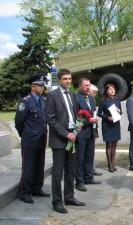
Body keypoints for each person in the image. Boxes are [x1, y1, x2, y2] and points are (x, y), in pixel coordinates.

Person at [46, 69, 85, 214]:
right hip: (59, 140)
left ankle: (69, 197)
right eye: (65, 79)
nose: (68, 81)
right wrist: (66, 133)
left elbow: (75, 115)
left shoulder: (73, 96)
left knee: (71, 170)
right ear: (59, 80)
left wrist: (78, 125)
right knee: (57, 172)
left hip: (72, 138)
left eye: (70, 79)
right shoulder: (52, 96)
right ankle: (57, 202)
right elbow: (50, 118)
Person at [15, 73, 50, 204]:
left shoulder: (43, 100)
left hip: (42, 138)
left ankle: (37, 188)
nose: (42, 88)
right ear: (33, 86)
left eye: (42, 86)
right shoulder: (25, 101)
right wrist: (24, 134)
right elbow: (19, 121)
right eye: (40, 86)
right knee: (28, 167)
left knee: (39, 165)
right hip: (30, 139)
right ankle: (25, 192)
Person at [74, 78, 101, 192]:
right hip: (81, 132)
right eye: (85, 85)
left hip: (90, 131)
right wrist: (87, 121)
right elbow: (75, 117)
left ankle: (89, 177)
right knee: (80, 158)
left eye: (89, 85)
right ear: (80, 86)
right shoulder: (76, 98)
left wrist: (94, 120)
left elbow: (93, 112)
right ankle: (79, 181)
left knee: (89, 156)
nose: (87, 87)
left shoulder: (90, 98)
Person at [97, 84, 122, 172]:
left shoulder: (117, 100)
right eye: (110, 89)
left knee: (114, 145)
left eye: (113, 89)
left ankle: (113, 163)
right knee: (109, 145)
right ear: (106, 91)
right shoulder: (103, 101)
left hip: (115, 124)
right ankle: (109, 164)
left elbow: (121, 112)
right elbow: (99, 113)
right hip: (107, 124)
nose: (112, 90)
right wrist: (107, 117)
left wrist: (119, 111)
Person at [88, 84, 103, 176]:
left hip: (93, 127)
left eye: (96, 93)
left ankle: (91, 169)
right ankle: (88, 170)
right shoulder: (84, 100)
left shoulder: (92, 100)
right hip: (86, 127)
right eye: (93, 92)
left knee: (91, 150)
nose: (95, 94)